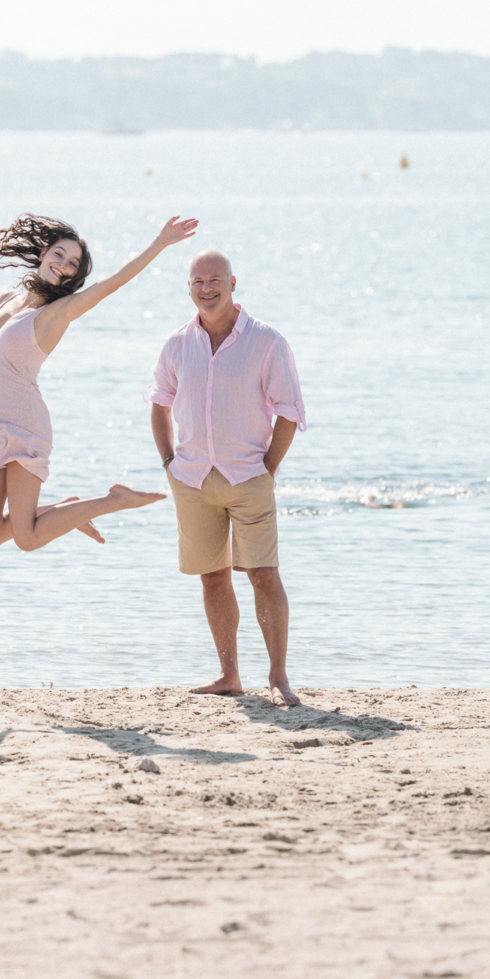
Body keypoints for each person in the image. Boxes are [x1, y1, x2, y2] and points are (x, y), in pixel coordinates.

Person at [0, 212, 198, 550]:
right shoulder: (6, 300)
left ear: (74, 277)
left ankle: (113, 500)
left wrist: (159, 243)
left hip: (24, 425)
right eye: (59, 254)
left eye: (73, 264)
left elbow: (113, 282)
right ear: (44, 253)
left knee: (27, 538)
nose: (63, 264)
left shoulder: (57, 314)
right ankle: (68, 511)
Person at [149, 249, 305, 707]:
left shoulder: (267, 342)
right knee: (212, 578)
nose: (206, 288)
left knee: (263, 574)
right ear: (189, 288)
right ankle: (229, 674)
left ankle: (278, 677)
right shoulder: (177, 344)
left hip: (248, 476)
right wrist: (168, 463)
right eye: (197, 281)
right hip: (193, 480)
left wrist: (268, 469)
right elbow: (158, 403)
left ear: (234, 283)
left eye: (215, 279)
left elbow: (290, 413)